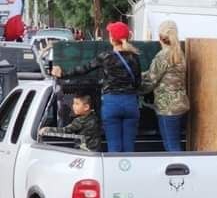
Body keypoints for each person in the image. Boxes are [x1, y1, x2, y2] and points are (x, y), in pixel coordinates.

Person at [51, 21, 142, 153]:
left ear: (112, 39)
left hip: (112, 104)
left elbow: (85, 69)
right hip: (130, 103)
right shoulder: (134, 57)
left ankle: (115, 172)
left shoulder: (106, 57)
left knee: (114, 146)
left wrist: (63, 73)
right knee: (129, 146)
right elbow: (138, 83)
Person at [139, 19, 189, 152]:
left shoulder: (162, 56)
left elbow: (151, 80)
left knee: (171, 146)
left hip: (167, 108)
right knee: (175, 143)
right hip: (180, 105)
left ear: (160, 37)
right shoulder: (180, 54)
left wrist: (135, 89)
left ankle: (179, 171)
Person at [38, 93, 102, 152]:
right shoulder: (95, 117)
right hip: (96, 151)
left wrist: (47, 129)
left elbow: (65, 130)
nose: (73, 106)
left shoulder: (80, 121)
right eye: (73, 103)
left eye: (77, 104)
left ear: (86, 107)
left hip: (84, 152)